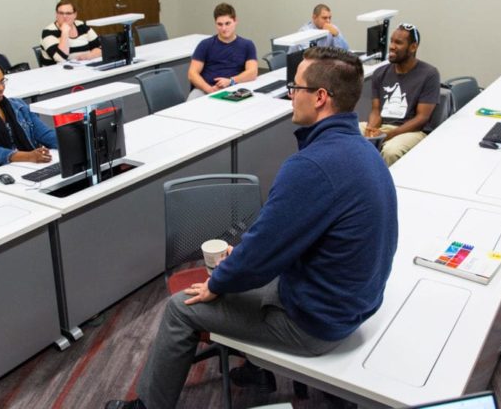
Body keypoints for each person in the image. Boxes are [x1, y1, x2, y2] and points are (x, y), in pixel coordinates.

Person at [106, 47, 398, 409]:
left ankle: (147, 407)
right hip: (352, 304)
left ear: (320, 98)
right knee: (242, 270)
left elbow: (260, 255)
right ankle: (256, 369)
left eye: (297, 87)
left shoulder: (311, 166)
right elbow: (282, 239)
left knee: (181, 307)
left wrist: (219, 281)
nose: (291, 95)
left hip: (315, 324)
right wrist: (243, 259)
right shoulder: (366, 151)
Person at [361, 23, 440, 166]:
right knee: (345, 130)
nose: (391, 46)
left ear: (413, 47)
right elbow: (376, 110)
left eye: (398, 43)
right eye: (391, 41)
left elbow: (422, 118)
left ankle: (384, 187)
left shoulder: (429, 74)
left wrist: (388, 135)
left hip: (412, 131)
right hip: (382, 127)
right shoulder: (380, 73)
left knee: (391, 151)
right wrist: (370, 129)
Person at [187, 2, 258, 100]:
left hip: (234, 88)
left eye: (227, 23)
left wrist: (231, 81)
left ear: (235, 21)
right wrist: (209, 89)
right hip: (205, 89)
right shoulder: (205, 45)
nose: (224, 28)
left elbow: (252, 72)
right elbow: (192, 74)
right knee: (191, 106)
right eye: (220, 24)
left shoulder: (247, 45)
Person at [40, 0, 102, 65]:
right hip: (56, 72)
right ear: (56, 14)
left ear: (75, 15)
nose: (64, 16)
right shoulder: (48, 32)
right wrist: (65, 32)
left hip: (82, 68)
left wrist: (89, 56)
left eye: (68, 13)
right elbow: (60, 58)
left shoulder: (81, 26)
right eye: (61, 13)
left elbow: (101, 48)